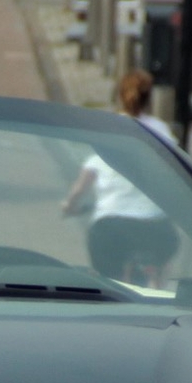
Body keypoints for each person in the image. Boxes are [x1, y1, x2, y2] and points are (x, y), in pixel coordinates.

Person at [62, 71, 183, 282]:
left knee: (110, 282)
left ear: (119, 96)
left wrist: (69, 205)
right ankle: (160, 286)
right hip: (154, 226)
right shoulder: (161, 130)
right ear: (149, 99)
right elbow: (176, 173)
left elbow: (80, 187)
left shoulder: (107, 128)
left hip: (110, 228)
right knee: (166, 254)